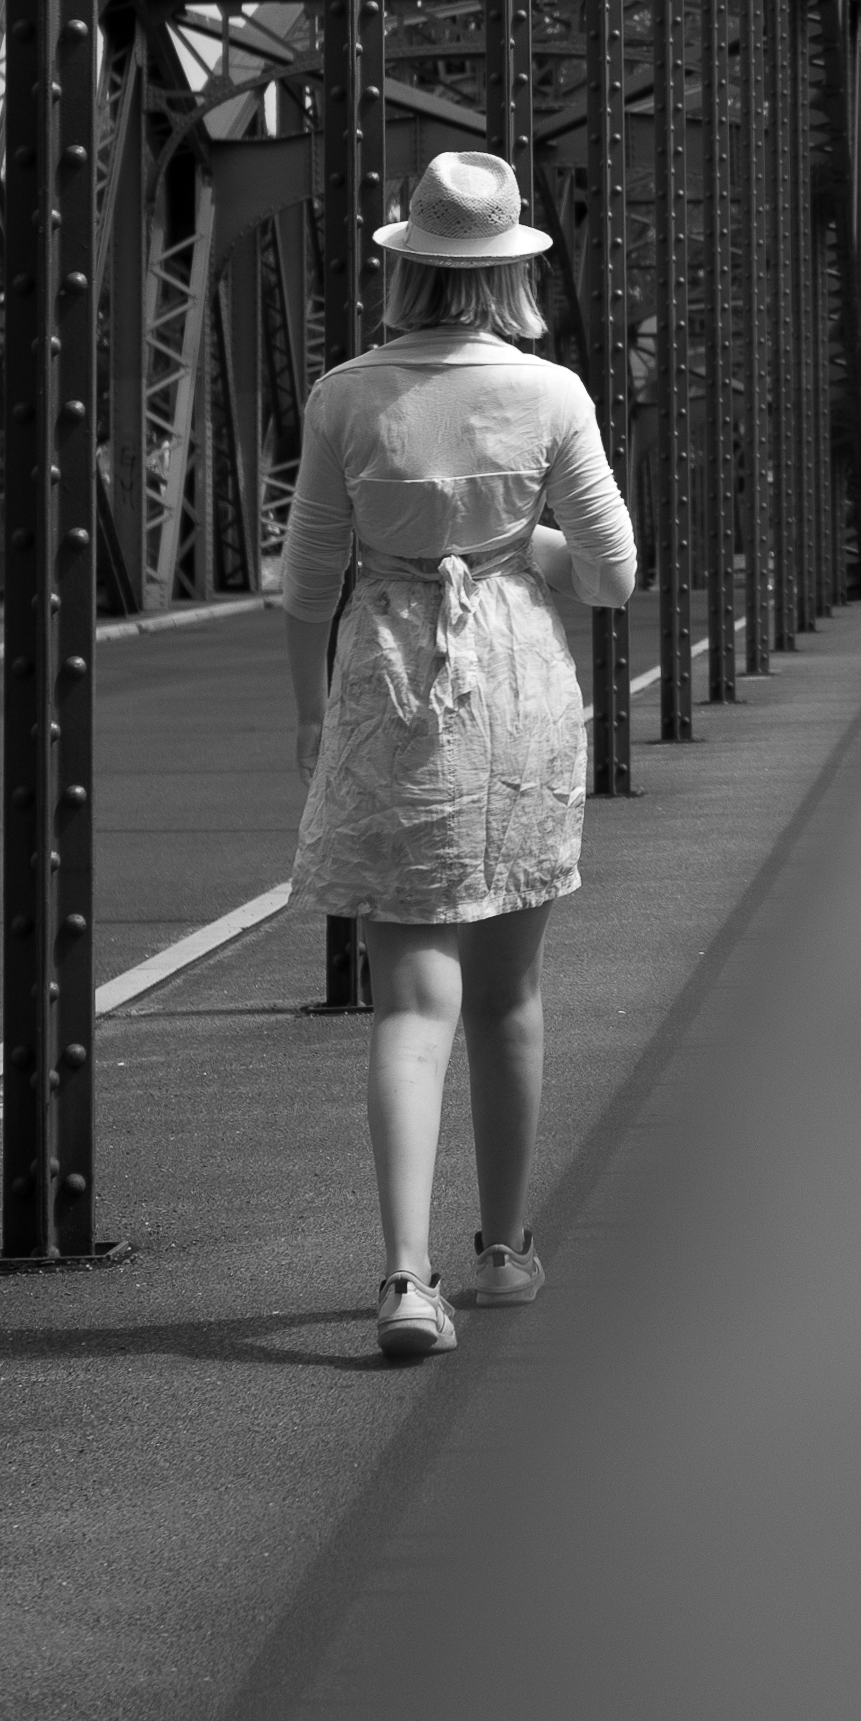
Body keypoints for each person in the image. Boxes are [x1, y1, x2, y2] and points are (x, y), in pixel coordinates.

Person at [279, 147, 638, 1362]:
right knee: (509, 996)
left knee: (410, 1001)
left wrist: (310, 719)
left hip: (391, 679)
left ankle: (402, 1279)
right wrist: (524, 548)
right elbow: (614, 572)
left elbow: (305, 582)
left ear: (408, 262)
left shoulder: (346, 396)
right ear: (505, 272)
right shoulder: (552, 395)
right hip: (517, 684)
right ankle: (502, 1251)